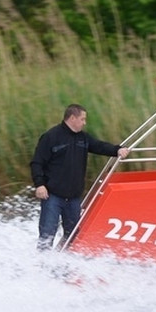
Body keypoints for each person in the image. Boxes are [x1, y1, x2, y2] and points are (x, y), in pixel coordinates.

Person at [30, 104, 129, 250]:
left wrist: (117, 150)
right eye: (82, 119)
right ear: (72, 118)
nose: (84, 122)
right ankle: (42, 267)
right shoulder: (51, 137)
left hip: (74, 198)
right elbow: (37, 162)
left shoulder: (84, 138)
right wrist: (39, 184)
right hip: (52, 196)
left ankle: (63, 262)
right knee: (47, 234)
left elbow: (100, 146)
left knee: (73, 236)